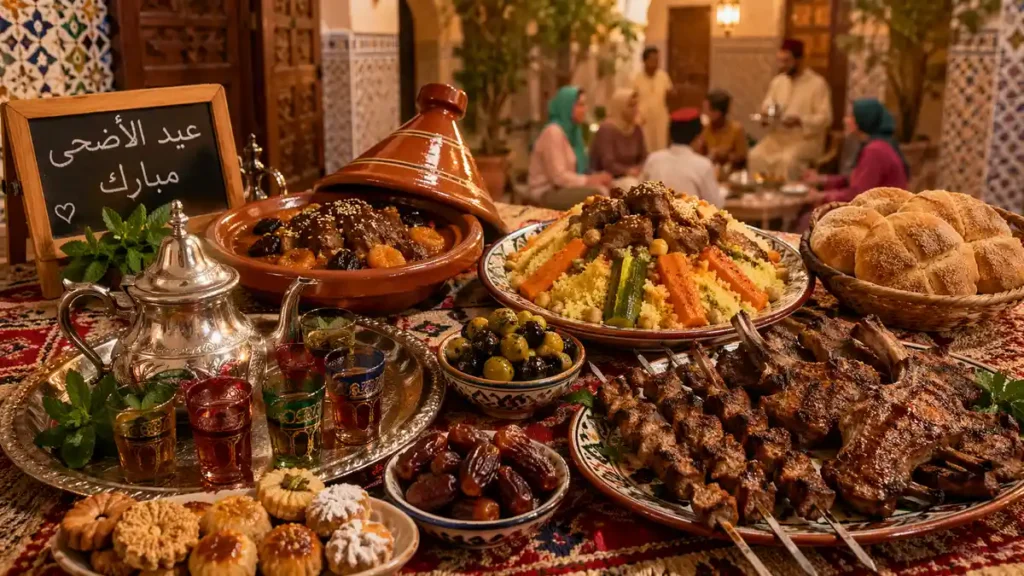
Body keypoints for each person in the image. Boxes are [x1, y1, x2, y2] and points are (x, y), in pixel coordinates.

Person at [748, 39, 832, 181]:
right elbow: (768, 106)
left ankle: (785, 200)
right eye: (780, 61)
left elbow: (825, 118)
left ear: (799, 60)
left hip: (805, 140)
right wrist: (766, 116)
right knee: (755, 155)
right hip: (778, 138)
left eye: (786, 61)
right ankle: (762, 197)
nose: (782, 65)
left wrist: (800, 121)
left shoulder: (817, 84)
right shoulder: (778, 82)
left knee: (787, 160)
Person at [804, 98, 909, 205]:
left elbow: (857, 195)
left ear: (863, 119)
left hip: (882, 215)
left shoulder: (875, 151)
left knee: (808, 217)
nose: (845, 120)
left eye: (851, 116)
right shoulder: (876, 144)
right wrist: (821, 179)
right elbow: (854, 180)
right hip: (874, 209)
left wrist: (821, 196)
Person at [527, 86, 612, 209]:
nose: (585, 109)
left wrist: (597, 177)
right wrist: (589, 180)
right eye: (580, 105)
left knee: (610, 188)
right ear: (566, 106)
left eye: (585, 105)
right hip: (547, 191)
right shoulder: (553, 132)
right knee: (597, 195)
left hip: (564, 188)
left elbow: (579, 170)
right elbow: (558, 177)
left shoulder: (573, 132)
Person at [641, 108, 725, 207]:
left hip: (654, 221)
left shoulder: (653, 159)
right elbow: (716, 205)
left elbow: (640, 196)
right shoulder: (703, 165)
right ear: (698, 137)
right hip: (689, 221)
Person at [589, 88, 647, 190]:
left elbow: (644, 156)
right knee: (632, 186)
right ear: (620, 106)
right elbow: (608, 163)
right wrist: (627, 171)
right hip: (609, 178)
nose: (636, 109)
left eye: (636, 105)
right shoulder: (607, 129)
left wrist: (639, 168)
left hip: (634, 176)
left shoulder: (636, 128)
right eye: (631, 106)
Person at [633, 46, 675, 152]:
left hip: (660, 118)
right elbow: (631, 99)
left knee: (661, 148)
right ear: (644, 61)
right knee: (646, 148)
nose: (655, 63)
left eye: (657, 60)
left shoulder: (663, 76)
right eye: (652, 60)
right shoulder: (636, 78)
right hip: (643, 120)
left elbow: (670, 92)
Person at [699, 89, 748, 168]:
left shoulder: (736, 129)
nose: (704, 113)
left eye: (706, 110)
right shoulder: (705, 129)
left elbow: (743, 158)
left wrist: (724, 156)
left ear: (717, 113)